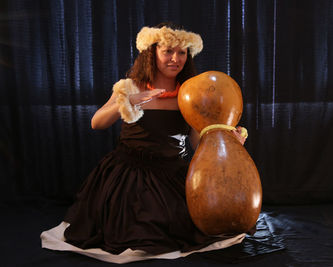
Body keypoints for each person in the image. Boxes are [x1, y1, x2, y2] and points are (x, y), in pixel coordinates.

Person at [40, 22, 247, 263]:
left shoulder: (190, 94)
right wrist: (127, 102)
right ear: (152, 52)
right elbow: (96, 123)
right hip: (129, 173)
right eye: (167, 51)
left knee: (183, 225)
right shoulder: (130, 87)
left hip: (173, 172)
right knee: (139, 228)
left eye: (181, 53)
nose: (175, 59)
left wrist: (226, 142)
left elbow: (196, 140)